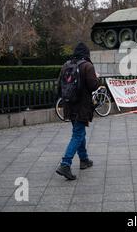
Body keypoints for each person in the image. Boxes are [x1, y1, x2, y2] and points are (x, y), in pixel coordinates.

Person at [56, 42, 99, 180]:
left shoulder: (66, 65)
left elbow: (59, 86)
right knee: (78, 134)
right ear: (86, 53)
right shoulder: (87, 66)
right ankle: (65, 164)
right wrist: (97, 77)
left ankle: (84, 159)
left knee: (79, 132)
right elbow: (93, 86)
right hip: (82, 107)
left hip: (69, 105)